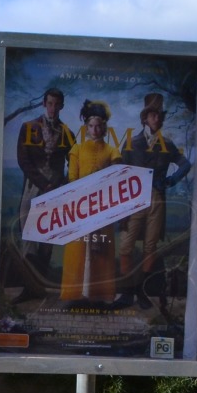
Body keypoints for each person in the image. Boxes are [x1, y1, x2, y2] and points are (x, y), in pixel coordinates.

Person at [116, 93, 190, 310]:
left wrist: (171, 180)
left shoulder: (167, 144)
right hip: (134, 199)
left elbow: (185, 164)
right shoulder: (132, 143)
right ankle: (127, 291)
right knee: (126, 245)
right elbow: (121, 173)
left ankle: (141, 291)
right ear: (145, 118)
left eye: (159, 116)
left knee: (150, 246)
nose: (156, 119)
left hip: (157, 198)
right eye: (152, 115)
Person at [60, 101, 122, 304]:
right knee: (76, 249)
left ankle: (102, 294)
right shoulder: (77, 149)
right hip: (80, 206)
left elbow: (116, 176)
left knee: (102, 250)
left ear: (104, 128)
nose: (95, 130)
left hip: (103, 207)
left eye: (99, 126)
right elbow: (72, 179)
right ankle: (73, 295)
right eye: (91, 126)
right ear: (86, 128)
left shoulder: (112, 151)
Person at [12, 88, 73, 290]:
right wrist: (42, 182)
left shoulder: (68, 133)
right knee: (28, 233)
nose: (53, 108)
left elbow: (74, 162)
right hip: (33, 186)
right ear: (44, 104)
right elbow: (23, 160)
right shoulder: (28, 127)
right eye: (50, 104)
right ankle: (28, 287)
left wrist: (62, 182)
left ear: (62, 106)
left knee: (48, 236)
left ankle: (40, 287)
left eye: (57, 104)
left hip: (55, 190)